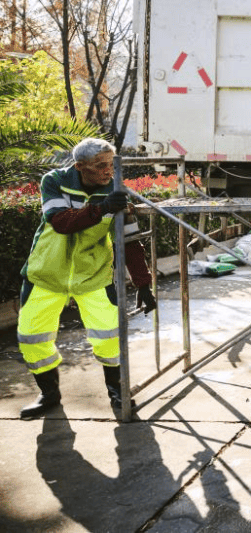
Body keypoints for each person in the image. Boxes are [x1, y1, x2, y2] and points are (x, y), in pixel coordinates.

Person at [17, 138, 156, 420]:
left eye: (111, 164)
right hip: (45, 273)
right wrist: (102, 208)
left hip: (93, 276)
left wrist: (143, 283)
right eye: (100, 165)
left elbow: (129, 241)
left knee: (109, 337)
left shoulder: (117, 191)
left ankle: (118, 393)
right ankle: (49, 394)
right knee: (32, 336)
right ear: (80, 167)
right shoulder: (54, 180)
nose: (109, 171)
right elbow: (60, 222)